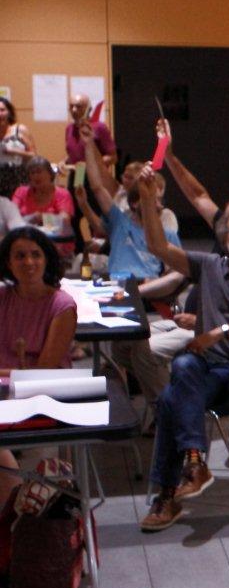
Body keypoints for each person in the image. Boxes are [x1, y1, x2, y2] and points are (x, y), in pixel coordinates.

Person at [134, 167, 229, 532]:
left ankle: (168, 495)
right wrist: (145, 197)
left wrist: (219, 331)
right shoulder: (208, 265)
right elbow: (158, 247)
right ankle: (193, 462)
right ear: (224, 237)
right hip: (200, 369)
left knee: (174, 396)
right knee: (183, 374)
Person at [77, 126, 187, 404]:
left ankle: (158, 405)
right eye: (149, 199)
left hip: (149, 291)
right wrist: (89, 144)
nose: (157, 204)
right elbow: (98, 186)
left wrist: (144, 290)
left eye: (159, 199)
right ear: (135, 202)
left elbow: (178, 273)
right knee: (121, 350)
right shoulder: (120, 221)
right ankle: (134, 393)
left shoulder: (165, 230)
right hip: (116, 290)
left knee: (135, 349)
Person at [0, 226, 78, 504]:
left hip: (45, 392)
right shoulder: (2, 297)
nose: (29, 262)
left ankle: (16, 505)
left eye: (35, 254)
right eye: (19, 256)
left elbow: (43, 370)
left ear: (46, 259)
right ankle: (16, 501)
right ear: (8, 263)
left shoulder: (62, 305)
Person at [12, 157, 74, 259]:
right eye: (32, 173)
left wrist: (41, 217)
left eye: (39, 172)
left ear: (50, 174)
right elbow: (11, 215)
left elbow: (64, 220)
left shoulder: (62, 194)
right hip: (25, 241)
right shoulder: (21, 191)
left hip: (55, 243)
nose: (36, 176)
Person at [62, 93, 116, 171]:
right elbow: (76, 155)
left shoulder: (99, 127)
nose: (74, 110)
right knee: (78, 183)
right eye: (71, 106)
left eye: (78, 106)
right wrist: (64, 162)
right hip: (78, 174)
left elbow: (113, 157)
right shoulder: (69, 128)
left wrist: (89, 165)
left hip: (96, 176)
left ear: (89, 109)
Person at [0, 96, 35, 198]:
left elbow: (34, 156)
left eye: (2, 110)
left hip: (19, 180)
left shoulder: (20, 130)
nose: (0, 114)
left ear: (9, 112)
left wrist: (13, 151)